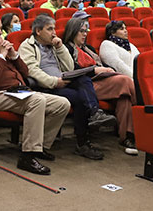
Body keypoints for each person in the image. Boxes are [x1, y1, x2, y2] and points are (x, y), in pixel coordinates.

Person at [0, 15, 69, 174]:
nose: (0, 33)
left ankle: (40, 147)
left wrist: (13, 55)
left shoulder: (3, 49)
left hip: (19, 92)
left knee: (62, 104)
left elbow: (25, 72)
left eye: (1, 28)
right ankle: (27, 156)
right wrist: (1, 56)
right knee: (37, 101)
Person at [18, 15, 115, 160]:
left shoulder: (54, 45)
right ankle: (83, 142)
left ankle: (95, 113)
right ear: (38, 31)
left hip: (62, 79)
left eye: (54, 29)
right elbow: (31, 70)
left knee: (84, 78)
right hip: (45, 85)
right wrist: (54, 82)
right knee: (78, 99)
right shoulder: (27, 46)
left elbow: (69, 67)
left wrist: (60, 47)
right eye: (49, 29)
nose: (54, 33)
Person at [62, 16, 137, 155]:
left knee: (124, 98)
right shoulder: (66, 48)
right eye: (81, 31)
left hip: (102, 80)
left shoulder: (89, 48)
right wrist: (95, 70)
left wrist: (105, 70)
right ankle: (148, 110)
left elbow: (101, 65)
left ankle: (127, 137)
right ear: (72, 32)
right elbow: (71, 70)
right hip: (87, 85)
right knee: (125, 81)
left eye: (86, 31)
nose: (85, 34)